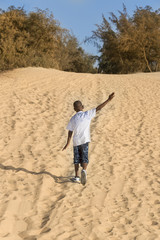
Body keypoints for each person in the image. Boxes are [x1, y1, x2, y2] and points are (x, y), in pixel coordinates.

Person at [62, 92, 115, 185]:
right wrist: (108, 100)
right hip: (85, 140)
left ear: (74, 109)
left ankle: (77, 177)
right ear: (82, 107)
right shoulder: (87, 114)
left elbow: (70, 131)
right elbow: (99, 108)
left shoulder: (73, 118)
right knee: (85, 157)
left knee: (76, 159)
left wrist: (67, 143)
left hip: (76, 142)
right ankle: (84, 171)